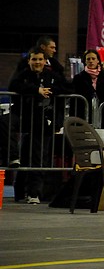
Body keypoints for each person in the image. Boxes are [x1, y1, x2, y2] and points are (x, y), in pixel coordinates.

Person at [8, 47, 71, 204]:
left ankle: (34, 193)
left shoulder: (52, 76)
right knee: (23, 155)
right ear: (29, 60)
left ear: (45, 61)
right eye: (34, 59)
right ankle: (19, 188)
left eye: (40, 59)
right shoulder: (22, 75)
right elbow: (13, 86)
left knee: (37, 157)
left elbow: (67, 88)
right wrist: (37, 90)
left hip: (42, 123)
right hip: (23, 120)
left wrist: (51, 92)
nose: (37, 62)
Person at [71, 49, 104, 129]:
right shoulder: (78, 78)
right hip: (84, 114)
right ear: (85, 62)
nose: (91, 61)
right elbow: (75, 100)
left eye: (93, 59)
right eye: (88, 59)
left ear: (98, 61)